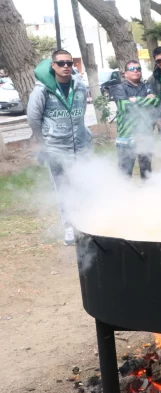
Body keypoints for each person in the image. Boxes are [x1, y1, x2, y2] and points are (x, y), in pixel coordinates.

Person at [27, 50, 92, 246]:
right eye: (61, 63)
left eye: (69, 63)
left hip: (80, 147)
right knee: (63, 189)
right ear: (52, 66)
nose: (66, 66)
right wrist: (43, 139)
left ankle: (86, 223)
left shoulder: (80, 87)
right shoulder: (42, 90)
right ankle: (69, 227)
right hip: (55, 149)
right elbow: (33, 118)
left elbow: (81, 113)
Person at [110, 60, 159, 179]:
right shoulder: (119, 88)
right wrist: (145, 100)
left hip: (145, 134)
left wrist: (134, 100)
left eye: (138, 68)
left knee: (147, 172)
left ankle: (147, 195)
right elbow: (124, 106)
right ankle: (125, 196)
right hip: (126, 136)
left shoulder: (148, 86)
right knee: (125, 172)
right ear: (125, 74)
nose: (136, 71)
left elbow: (155, 102)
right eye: (132, 69)